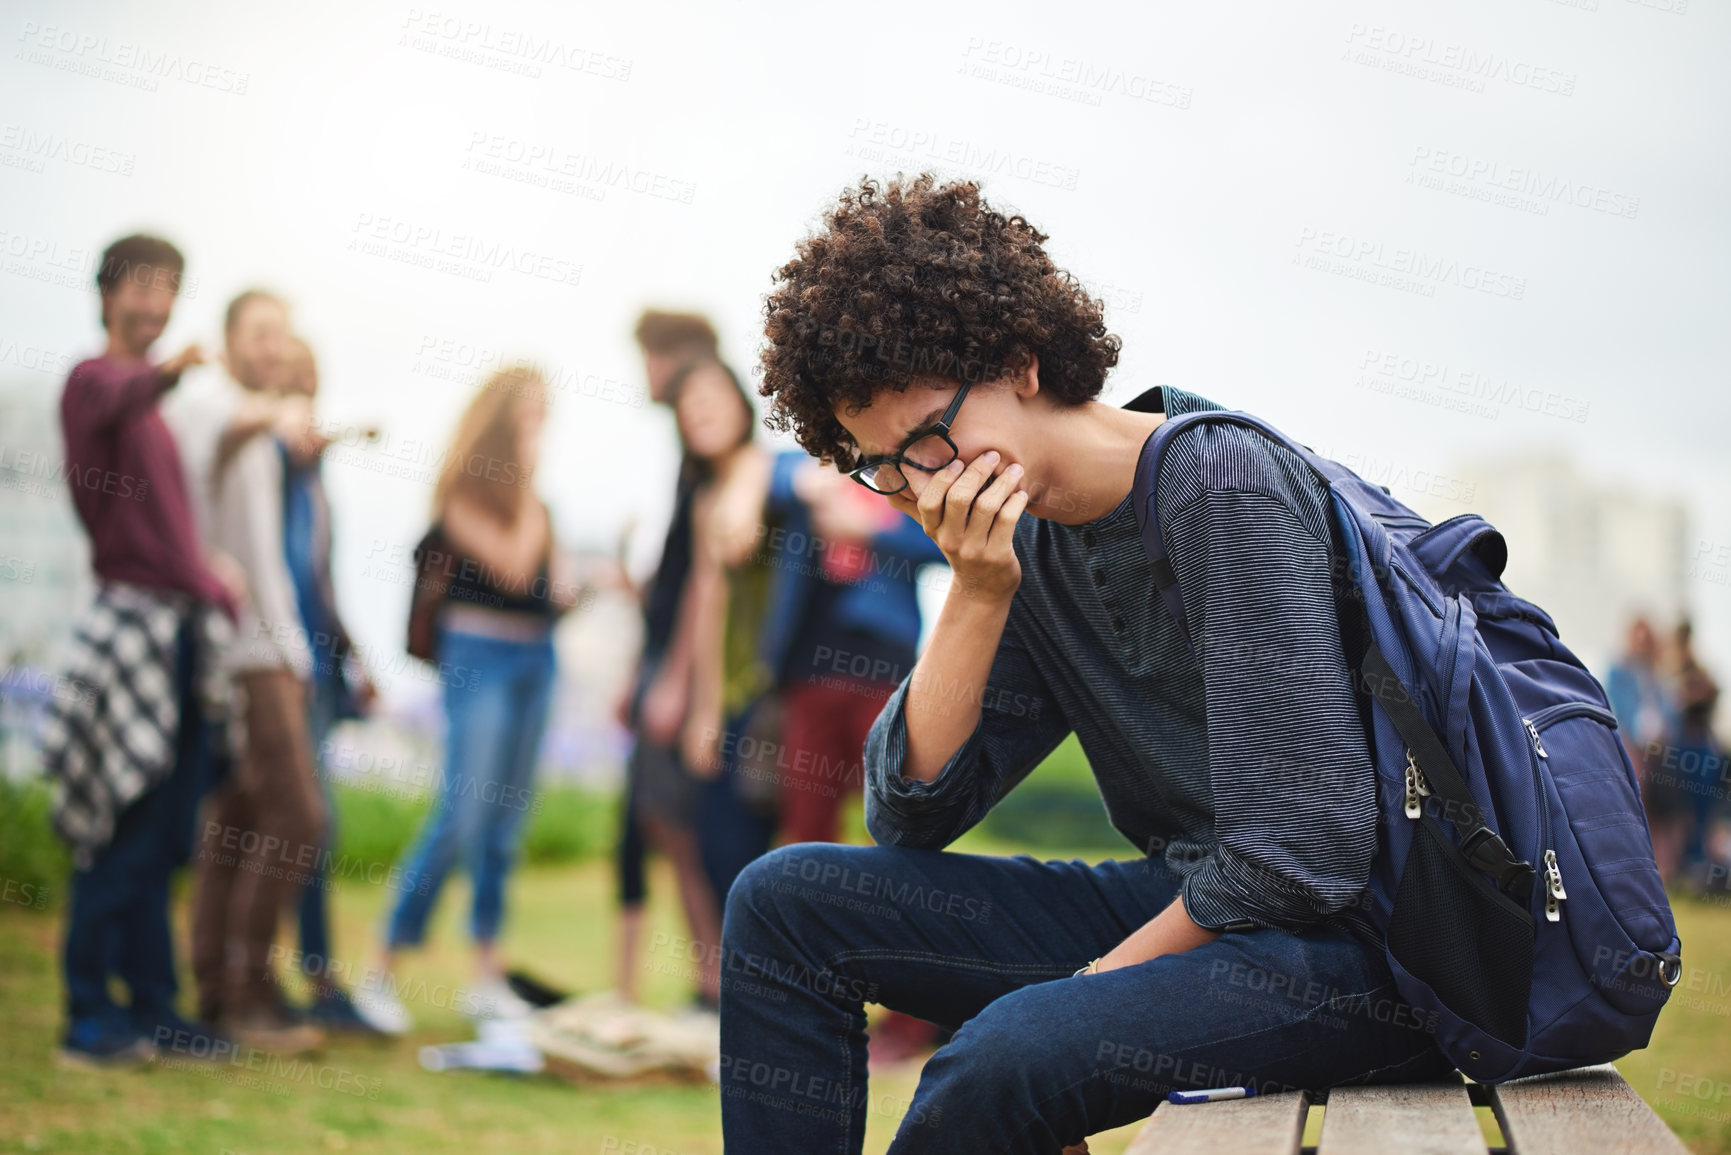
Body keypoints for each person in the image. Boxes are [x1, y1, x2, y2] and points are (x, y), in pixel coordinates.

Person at [720, 175, 1456, 1153]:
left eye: (930, 440)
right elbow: (913, 815)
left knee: (1000, 1058)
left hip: (1366, 952)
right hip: (1200, 914)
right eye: (884, 468)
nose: (923, 485)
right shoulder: (1032, 543)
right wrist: (977, 594)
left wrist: (1088, 994)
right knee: (783, 906)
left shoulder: (1217, 484)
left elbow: (1300, 855)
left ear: (1022, 362)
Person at [41, 234, 241, 1068]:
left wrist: (211, 582)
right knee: (120, 830)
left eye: (171, 289)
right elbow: (116, 398)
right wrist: (170, 370)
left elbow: (170, 536)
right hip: (133, 631)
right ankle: (88, 1011)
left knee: (163, 838)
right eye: (144, 287)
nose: (157, 305)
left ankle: (154, 1007)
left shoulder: (153, 413)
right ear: (107, 291)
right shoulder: (97, 383)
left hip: (182, 628)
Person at [365, 366, 580, 1029]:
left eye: (543, 411)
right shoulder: (464, 491)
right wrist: (532, 494)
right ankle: (380, 970)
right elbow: (517, 562)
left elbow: (561, 588)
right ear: (498, 417)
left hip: (535, 659)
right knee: (460, 814)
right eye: (526, 410)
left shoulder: (537, 502)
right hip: (477, 658)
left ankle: (485, 977)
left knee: (505, 826)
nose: (536, 423)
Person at [167, 290, 327, 1054]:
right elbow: (218, 438)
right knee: (299, 816)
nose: (272, 345)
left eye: (282, 332)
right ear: (228, 338)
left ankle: (219, 987)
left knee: (231, 823)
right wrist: (274, 413)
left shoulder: (256, 420)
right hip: (243, 651)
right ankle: (248, 990)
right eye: (259, 332)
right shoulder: (215, 403)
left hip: (270, 647)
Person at [613, 311, 726, 1007]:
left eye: (650, 359)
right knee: (662, 821)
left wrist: (676, 681)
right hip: (659, 660)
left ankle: (712, 975)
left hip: (680, 673)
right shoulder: (687, 457)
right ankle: (704, 973)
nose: (645, 376)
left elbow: (705, 580)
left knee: (678, 821)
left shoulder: (707, 458)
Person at [276, 336, 383, 1034]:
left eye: (312, 381)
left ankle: (313, 976)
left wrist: (354, 656)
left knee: (309, 823)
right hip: (270, 667)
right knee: (296, 820)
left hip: (313, 672)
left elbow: (318, 579)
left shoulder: (312, 479)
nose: (305, 396)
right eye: (290, 383)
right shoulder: (275, 461)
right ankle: (268, 974)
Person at [1607, 617, 1684, 875]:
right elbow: (1615, 711)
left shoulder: (1658, 675)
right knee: (1638, 789)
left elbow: (1671, 715)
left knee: (1668, 796)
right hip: (1631, 745)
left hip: (1660, 750)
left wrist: (1660, 734)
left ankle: (1667, 864)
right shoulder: (1618, 672)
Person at [1665, 620, 1723, 883]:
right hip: (1678, 751)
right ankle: (1680, 865)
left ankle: (1698, 864)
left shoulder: (1698, 670)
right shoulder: (1667, 670)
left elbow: (1712, 692)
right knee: (1678, 812)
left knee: (1701, 812)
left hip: (1701, 749)